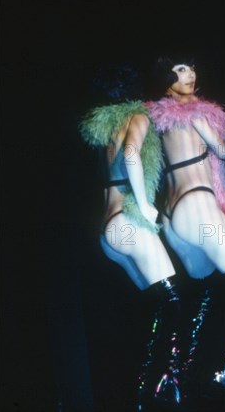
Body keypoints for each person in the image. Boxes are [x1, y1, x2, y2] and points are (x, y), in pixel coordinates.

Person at [146, 55, 225, 401]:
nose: (189, 74)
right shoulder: (194, 113)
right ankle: (222, 369)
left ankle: (175, 376)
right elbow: (221, 150)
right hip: (197, 205)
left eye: (191, 67)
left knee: (205, 290)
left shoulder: (153, 118)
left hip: (172, 214)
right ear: (165, 77)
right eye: (180, 69)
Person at [79, 65, 185, 409]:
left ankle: (145, 392)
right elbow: (131, 155)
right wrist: (146, 206)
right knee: (171, 302)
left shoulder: (104, 127)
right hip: (128, 219)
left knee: (159, 306)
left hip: (107, 226)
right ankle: (161, 390)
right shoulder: (136, 118)